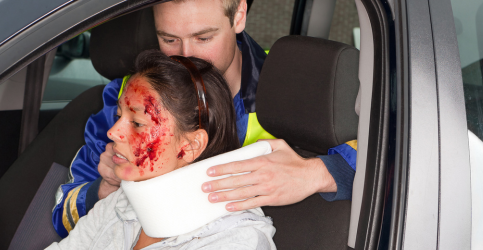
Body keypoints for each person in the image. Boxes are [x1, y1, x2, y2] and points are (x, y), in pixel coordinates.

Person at [0, 51, 276, 250]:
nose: (112, 130)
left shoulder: (236, 242)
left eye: (138, 122)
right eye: (118, 116)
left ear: (191, 145)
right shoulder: (122, 204)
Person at [54, 0, 358, 238]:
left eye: (203, 37)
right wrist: (104, 189)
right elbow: (63, 213)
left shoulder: (292, 93)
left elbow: (397, 158)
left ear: (239, 15)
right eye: (169, 39)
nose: (186, 57)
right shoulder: (124, 101)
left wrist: (318, 173)